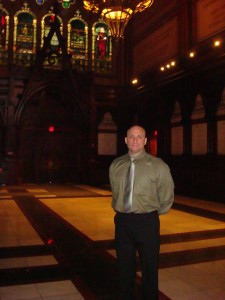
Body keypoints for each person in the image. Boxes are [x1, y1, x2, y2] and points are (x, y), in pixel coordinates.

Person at [109, 125, 174, 300]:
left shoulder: (157, 165)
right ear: (126, 140)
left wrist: (151, 213)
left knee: (150, 269)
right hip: (122, 222)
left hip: (147, 222)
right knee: (124, 268)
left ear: (145, 141)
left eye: (139, 137)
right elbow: (116, 191)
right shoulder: (116, 165)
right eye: (131, 136)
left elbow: (167, 195)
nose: (135, 140)